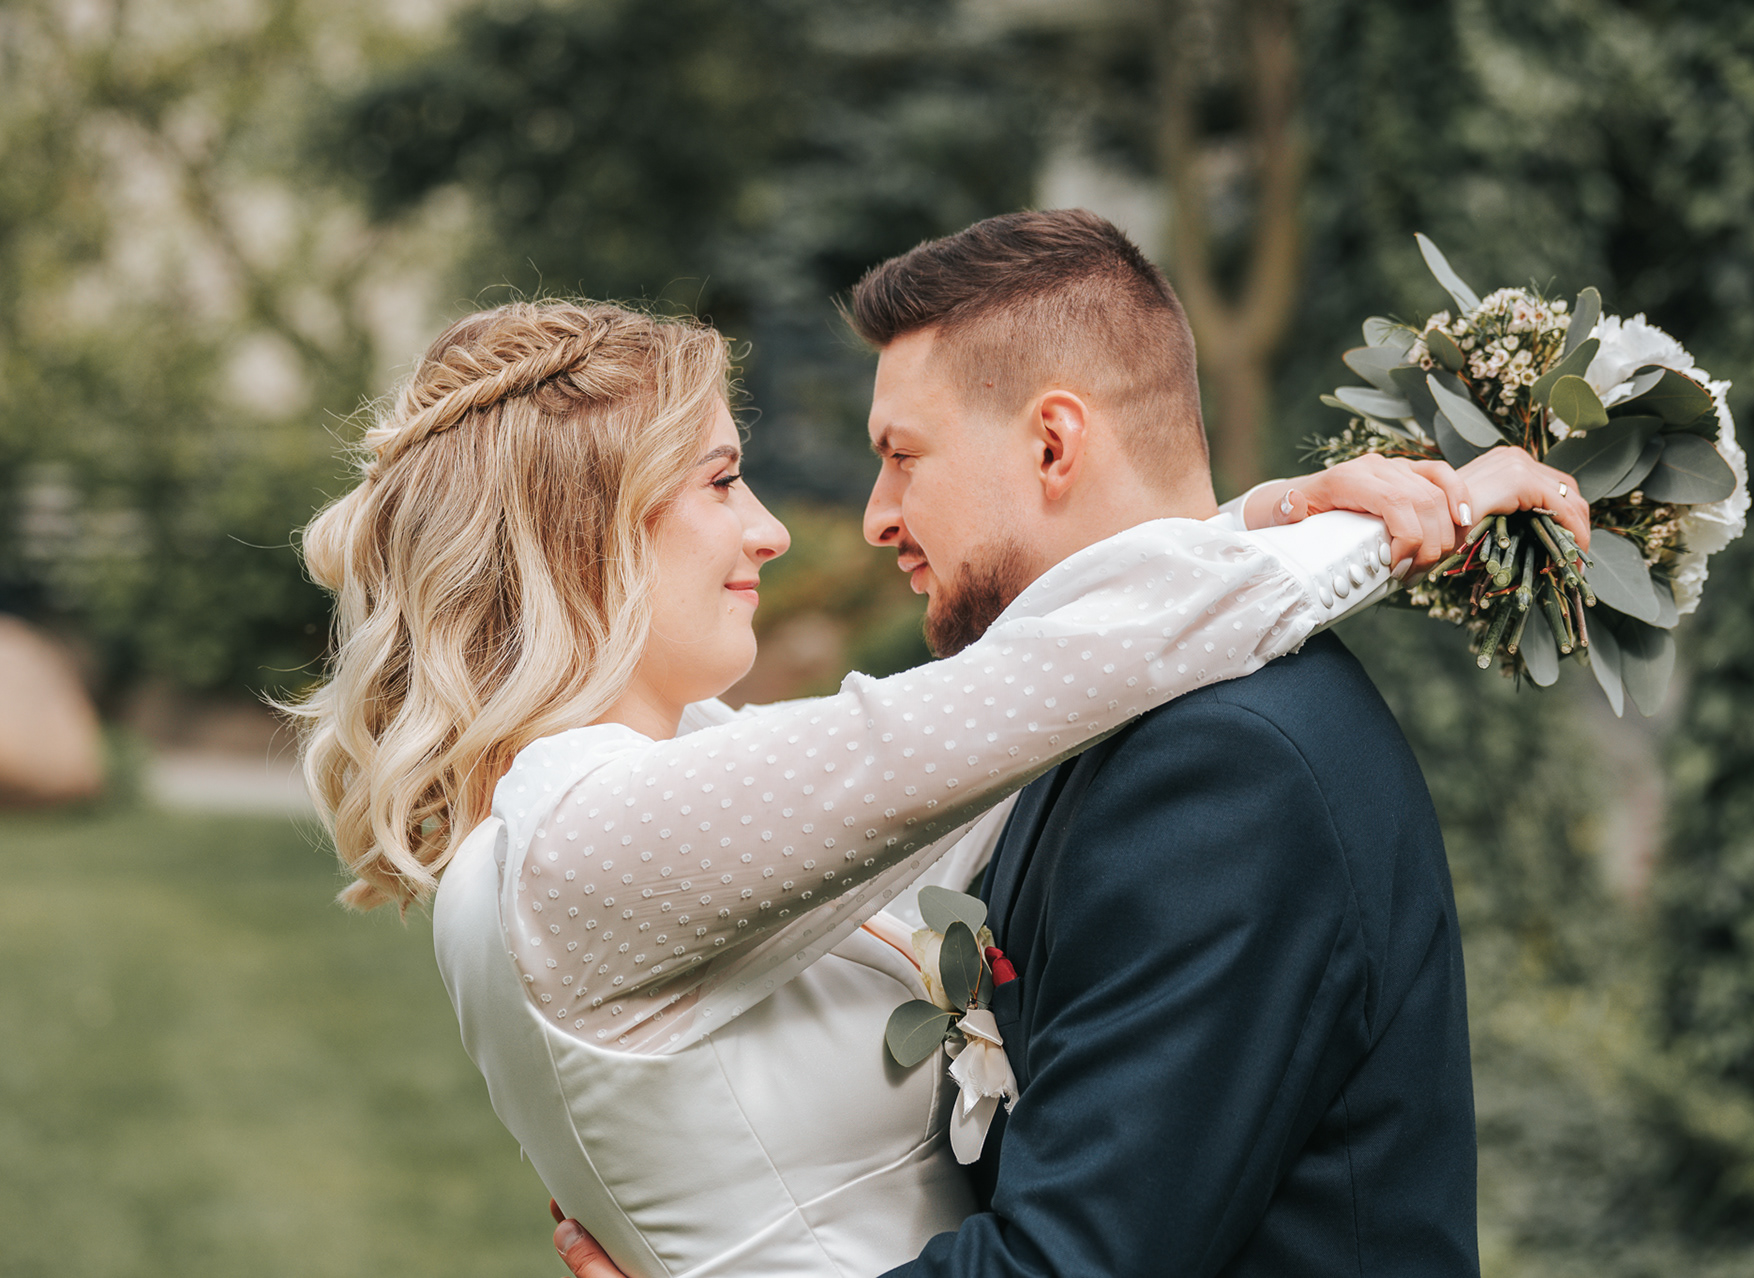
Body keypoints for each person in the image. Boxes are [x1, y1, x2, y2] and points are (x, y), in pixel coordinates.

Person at [541, 212, 1588, 1278]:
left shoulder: (1224, 767)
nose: (877, 517)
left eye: (902, 458)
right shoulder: (1093, 722)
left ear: (1052, 445)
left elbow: (1067, 1262)